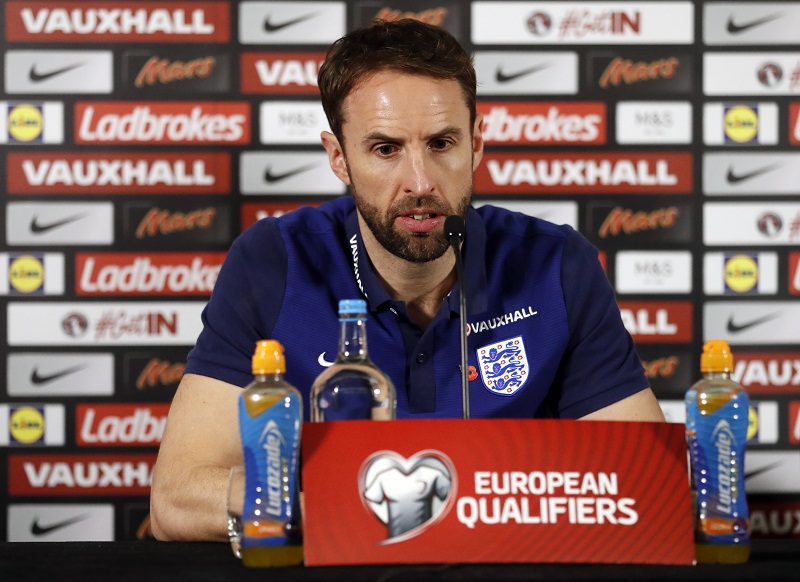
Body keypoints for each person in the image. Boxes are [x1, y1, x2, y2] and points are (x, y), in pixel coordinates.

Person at [150, 18, 665, 542]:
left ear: (476, 145)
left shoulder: (557, 264)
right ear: (339, 158)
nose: (420, 182)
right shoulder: (273, 261)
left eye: (441, 143)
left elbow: (650, 482)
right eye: (385, 149)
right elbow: (177, 498)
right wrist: (351, 508)